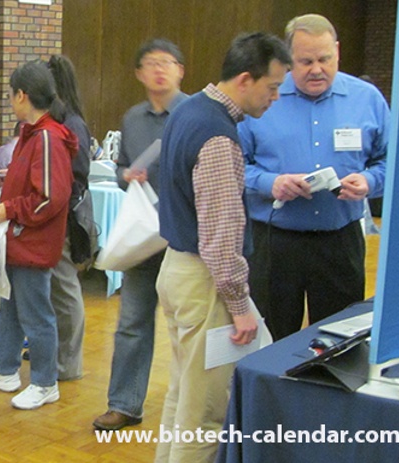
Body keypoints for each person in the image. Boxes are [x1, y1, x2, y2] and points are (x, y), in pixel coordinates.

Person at [156, 32, 291, 463]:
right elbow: (220, 233)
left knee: (181, 400)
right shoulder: (217, 135)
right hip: (204, 281)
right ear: (246, 79)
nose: (275, 98)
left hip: (177, 271)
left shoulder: (187, 109)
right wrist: (239, 303)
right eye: (272, 88)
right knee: (205, 416)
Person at [240, 14, 390, 341]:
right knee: (270, 339)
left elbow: (388, 161)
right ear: (286, 59)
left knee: (340, 339)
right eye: (305, 61)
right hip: (274, 242)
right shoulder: (262, 98)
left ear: (337, 52)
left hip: (340, 240)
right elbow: (236, 165)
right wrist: (271, 183)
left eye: (325, 59)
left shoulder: (368, 99)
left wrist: (369, 182)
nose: (316, 69)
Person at [0, 61, 78, 410]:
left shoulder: (47, 137)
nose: (10, 101)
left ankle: (46, 382)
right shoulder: (31, 134)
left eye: (10, 95)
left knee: (36, 315)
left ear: (22, 95)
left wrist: (11, 208)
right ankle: (6, 370)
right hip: (18, 241)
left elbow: (50, 197)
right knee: (12, 308)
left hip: (32, 243)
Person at [93, 38, 187, 431]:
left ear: (181, 70)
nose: (159, 70)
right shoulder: (132, 118)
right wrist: (125, 175)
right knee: (132, 320)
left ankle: (191, 407)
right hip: (143, 234)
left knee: (187, 324)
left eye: (167, 63)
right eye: (151, 63)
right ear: (139, 73)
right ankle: (125, 404)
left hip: (185, 236)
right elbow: (120, 167)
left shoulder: (195, 113)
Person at [47, 54, 92, 381]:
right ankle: (57, 354)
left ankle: (70, 363)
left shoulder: (71, 124)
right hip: (55, 218)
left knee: (65, 290)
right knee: (55, 291)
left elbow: (76, 174)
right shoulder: (59, 121)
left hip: (65, 218)